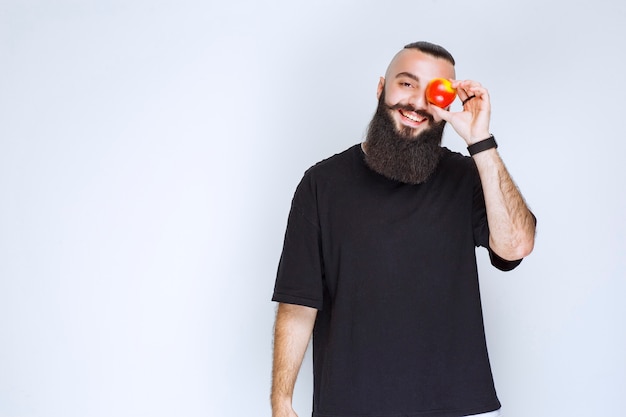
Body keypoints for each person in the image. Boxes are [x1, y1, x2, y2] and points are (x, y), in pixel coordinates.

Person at [270, 41, 536, 417]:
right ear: (381, 88)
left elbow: (516, 246)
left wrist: (480, 141)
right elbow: (298, 303)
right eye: (407, 84)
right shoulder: (321, 184)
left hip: (446, 407)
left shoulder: (465, 177)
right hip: (348, 406)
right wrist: (281, 402)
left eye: (433, 92)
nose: (416, 103)